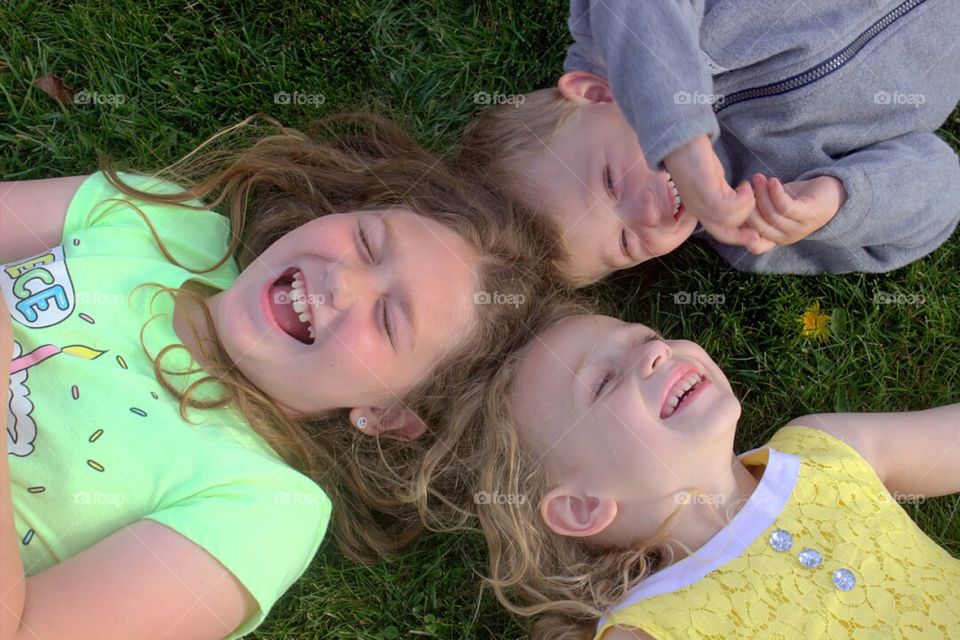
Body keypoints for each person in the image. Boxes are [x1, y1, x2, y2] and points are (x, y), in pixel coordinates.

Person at [0, 113, 563, 639]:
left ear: (386, 413)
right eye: (367, 242)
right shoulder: (164, 221)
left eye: (388, 319)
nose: (344, 282)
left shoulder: (265, 506)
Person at [458, 308, 960, 639]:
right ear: (582, 504)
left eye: (647, 338)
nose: (657, 353)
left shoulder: (822, 446)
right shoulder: (652, 629)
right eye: (604, 382)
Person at [458, 0, 960, 285]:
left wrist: (678, 135)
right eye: (628, 243)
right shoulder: (757, 233)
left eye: (611, 182)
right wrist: (838, 201)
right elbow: (941, 187)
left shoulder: (611, 28)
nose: (646, 214)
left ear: (594, 94)